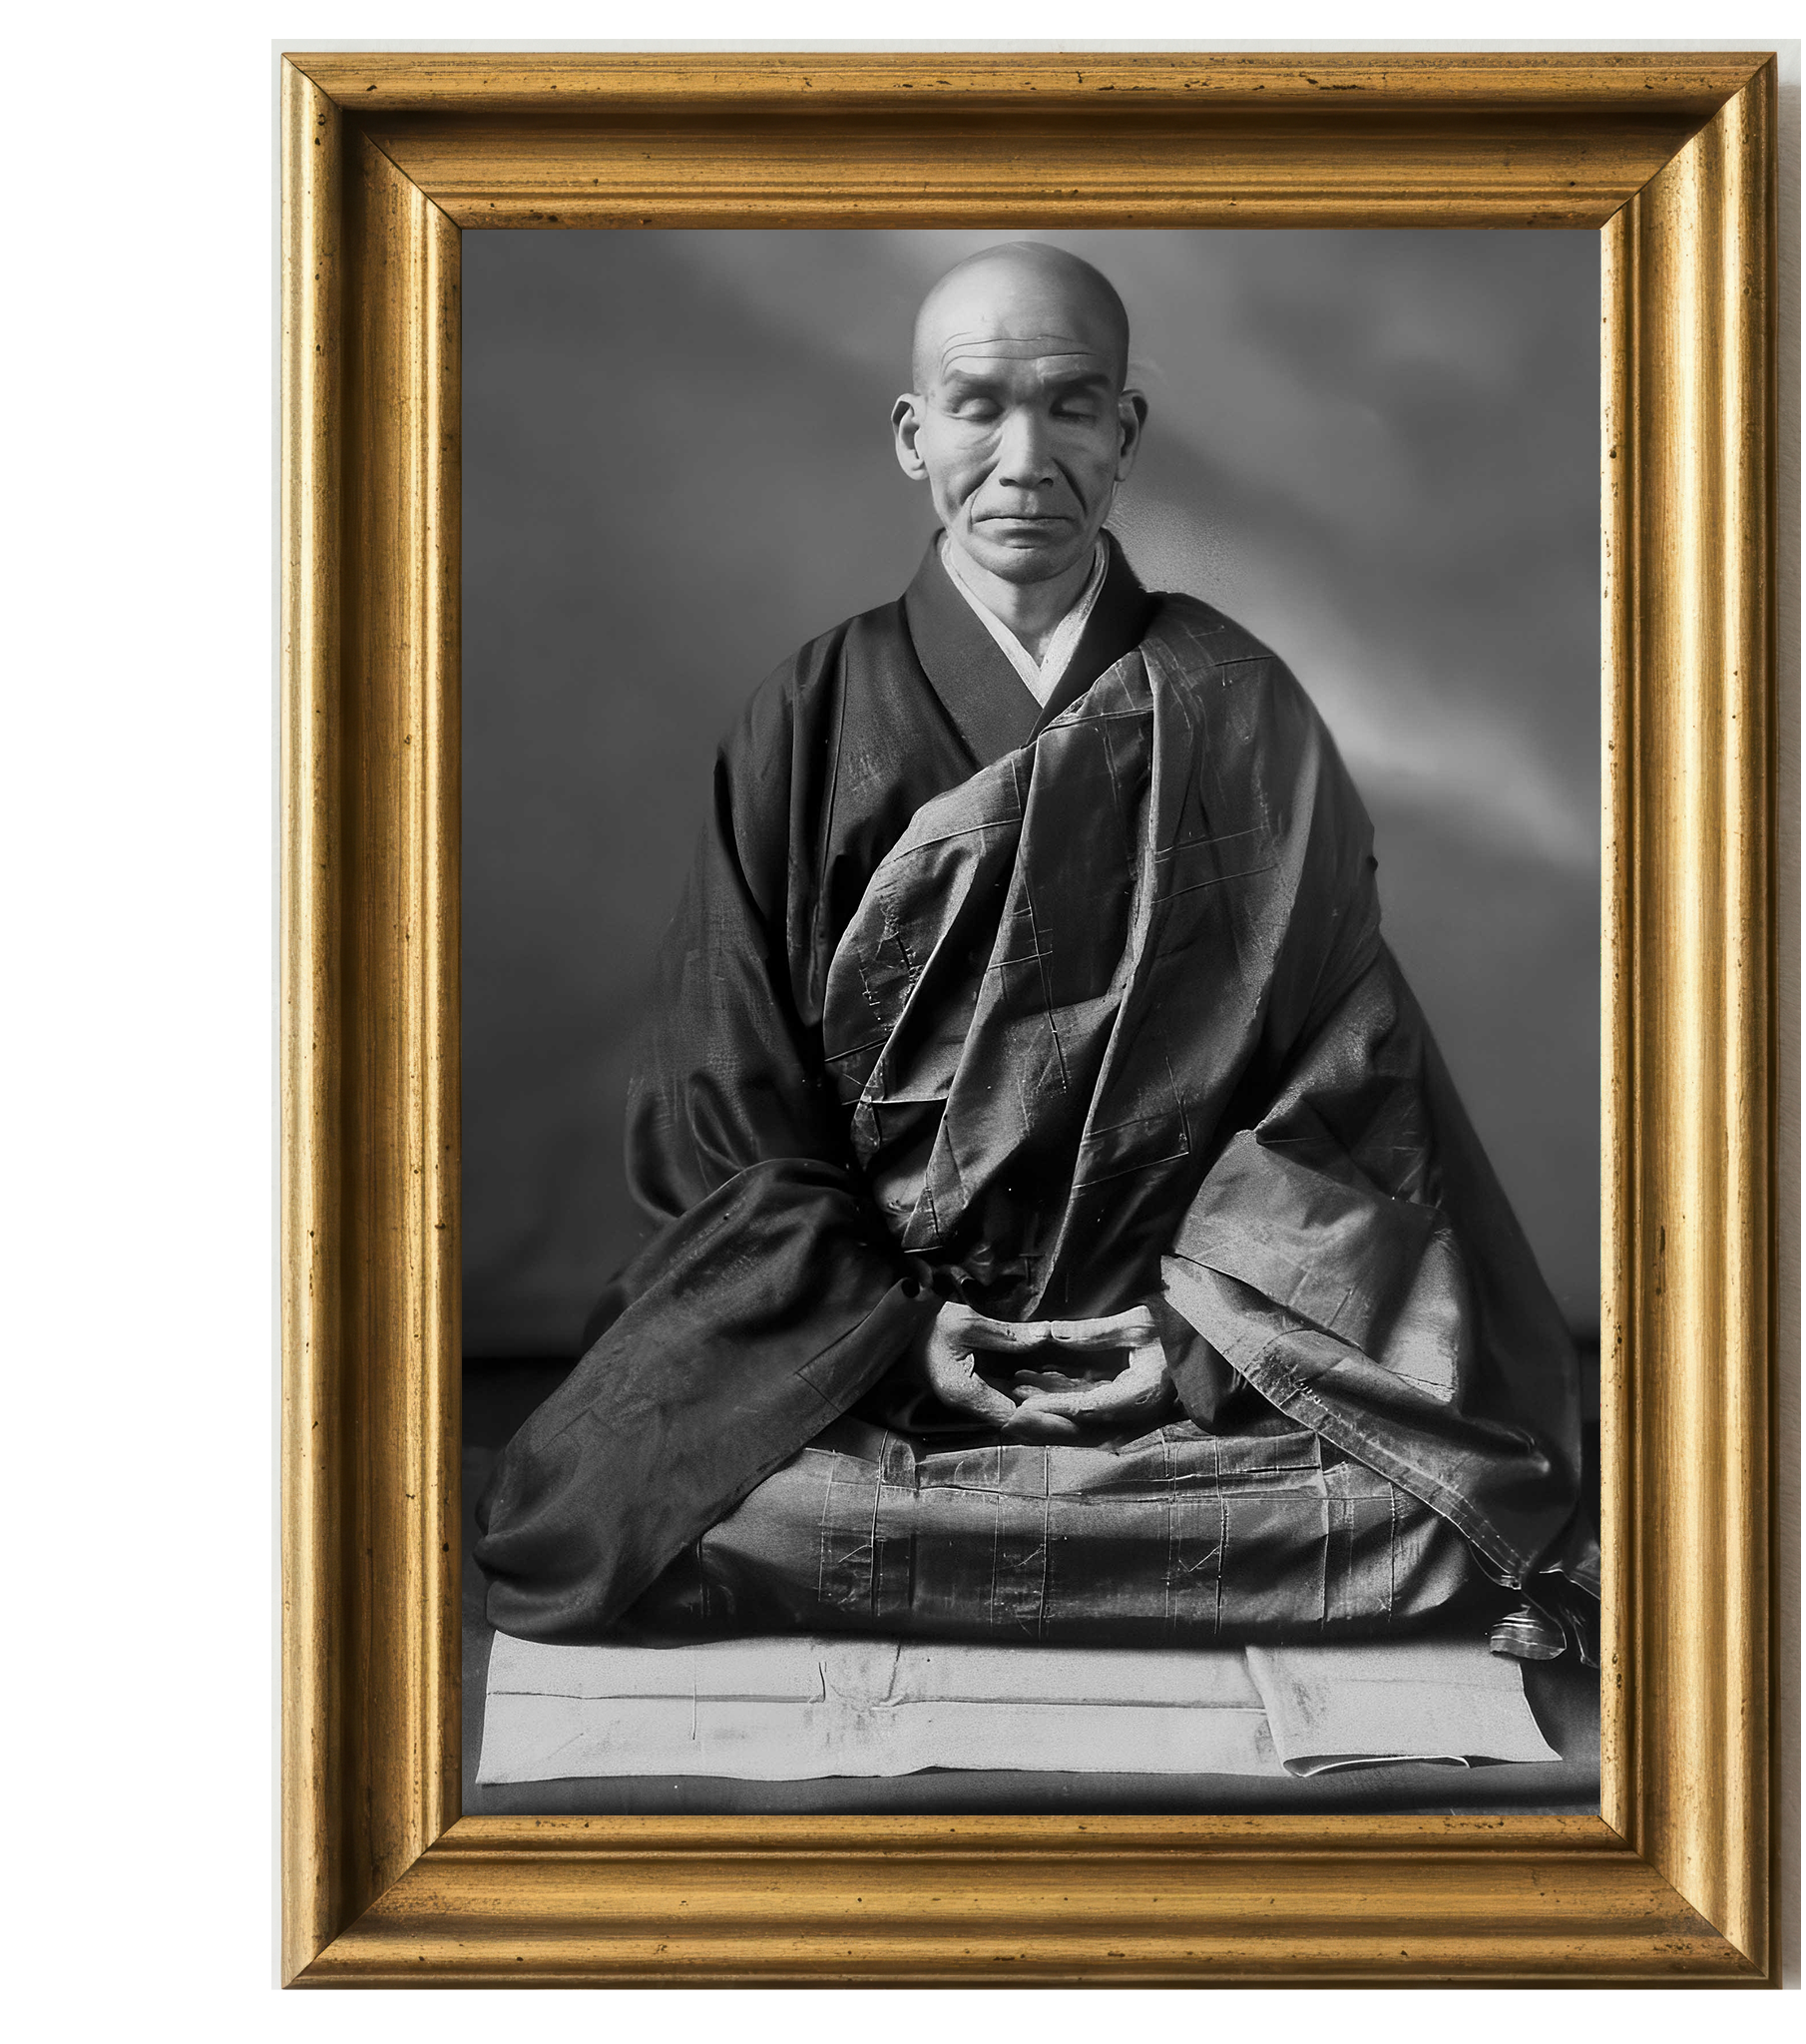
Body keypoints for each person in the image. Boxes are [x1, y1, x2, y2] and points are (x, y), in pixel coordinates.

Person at [475, 243, 1594, 1655]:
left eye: (1070, 407)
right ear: (911, 433)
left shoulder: (1240, 711)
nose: (1023, 456)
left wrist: (1192, 1335)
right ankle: (1064, 1511)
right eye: (977, 406)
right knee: (597, 1514)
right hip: (883, 1351)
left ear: (1124, 434)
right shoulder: (809, 718)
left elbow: (1350, 1084)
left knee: (1446, 1506)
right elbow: (730, 1100)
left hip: (1185, 1349)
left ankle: (1028, 1504)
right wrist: (900, 1336)